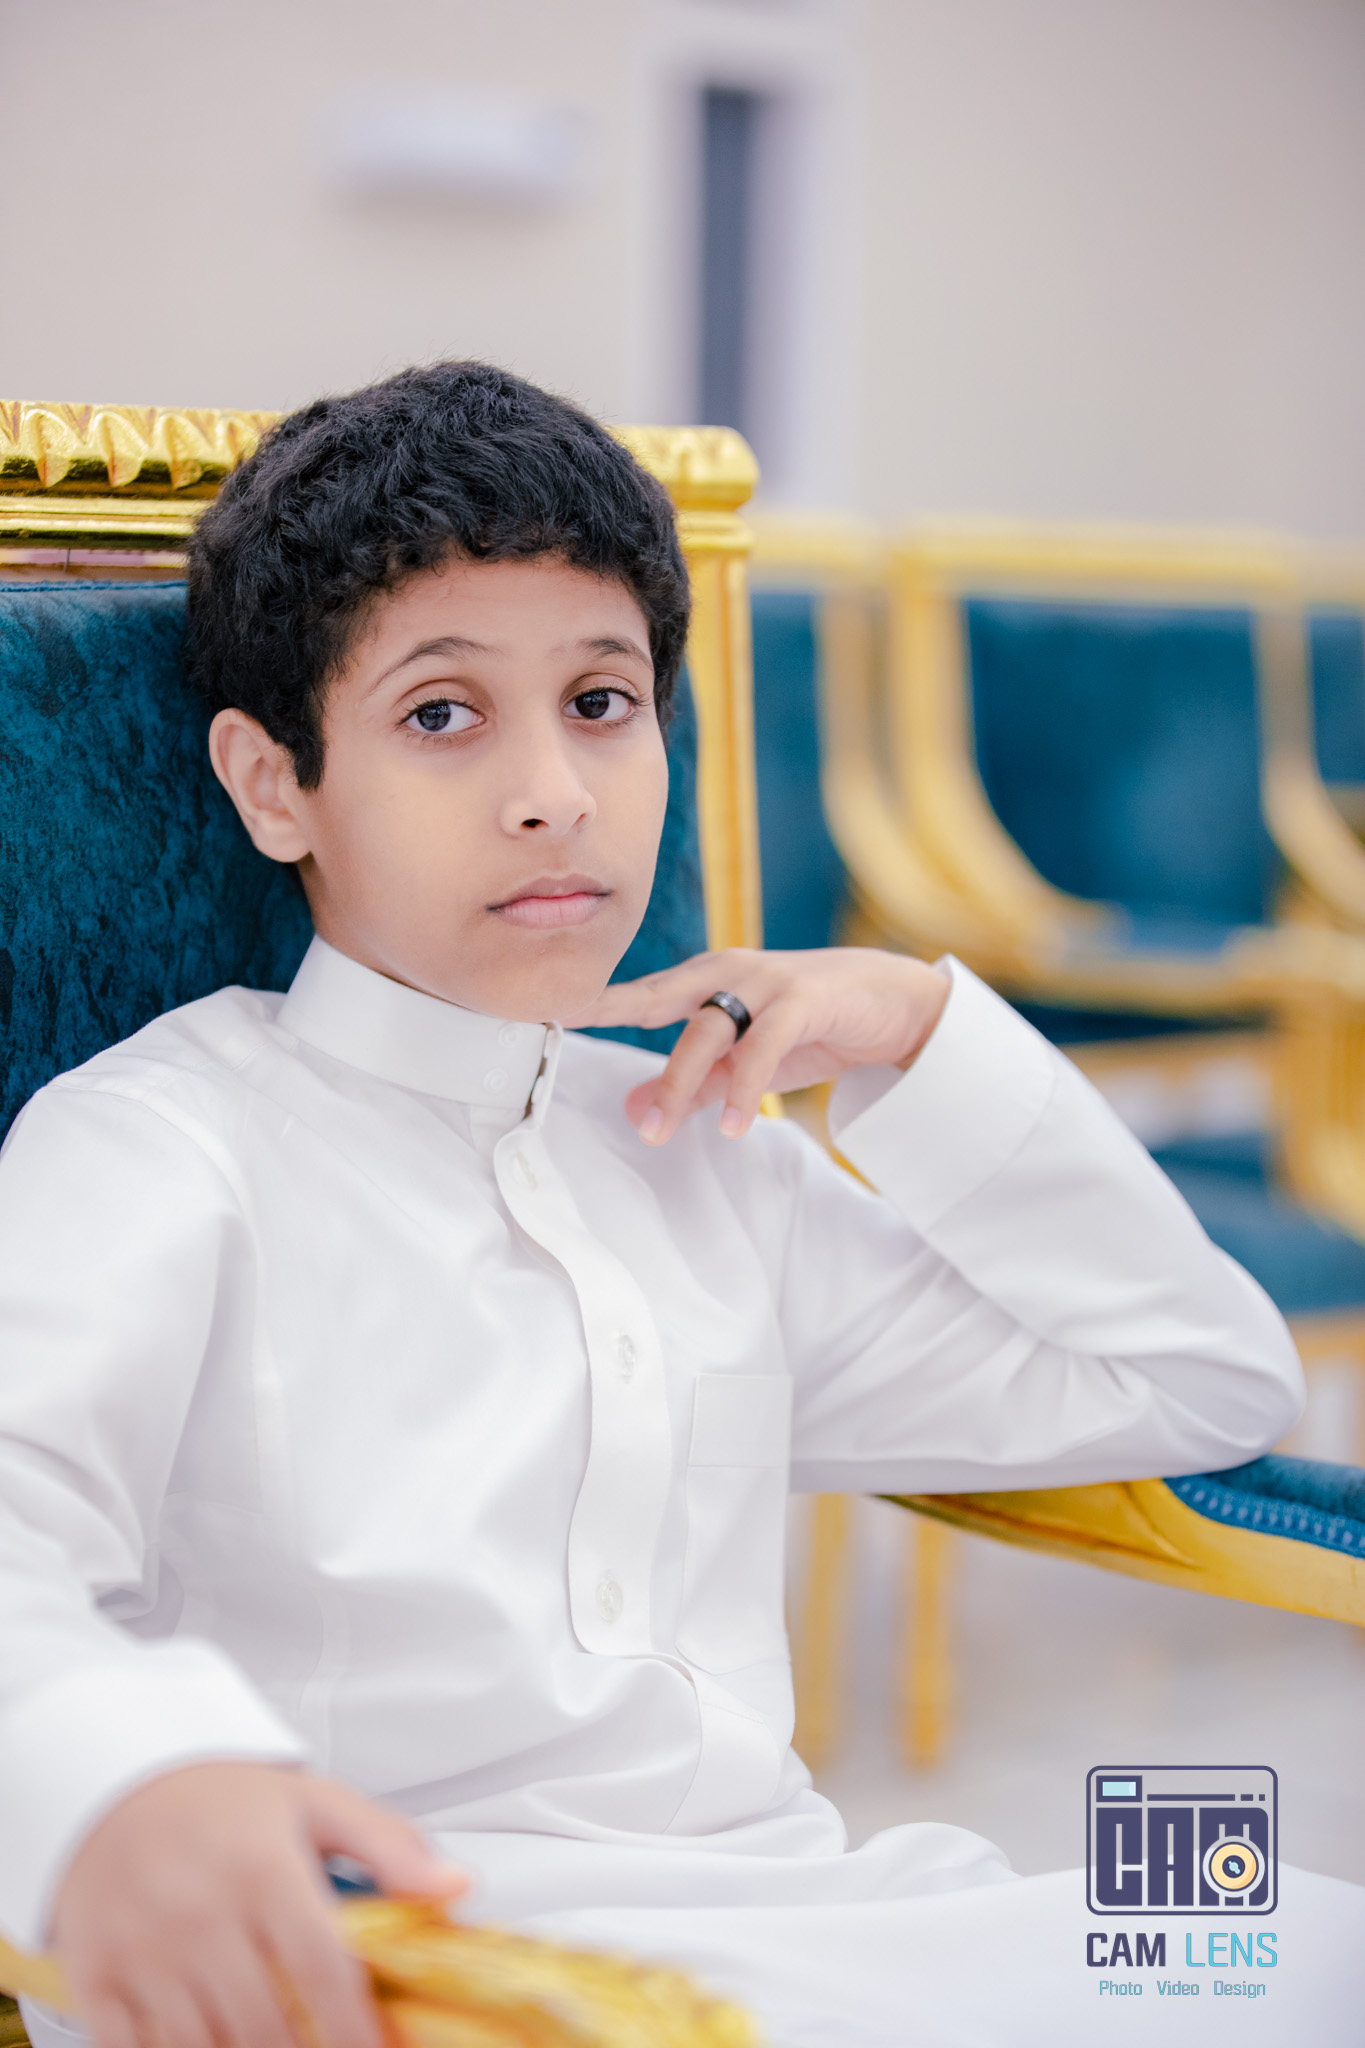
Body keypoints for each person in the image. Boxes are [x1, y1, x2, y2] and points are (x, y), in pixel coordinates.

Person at [0, 363, 1358, 2048]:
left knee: (1306, 1954)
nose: (554, 793)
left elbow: (1199, 1381)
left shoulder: (698, 1152)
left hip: (812, 1917)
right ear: (276, 783)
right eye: (442, 715)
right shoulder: (161, 1147)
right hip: (408, 1968)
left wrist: (920, 1032)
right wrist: (119, 1780)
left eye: (601, 701)